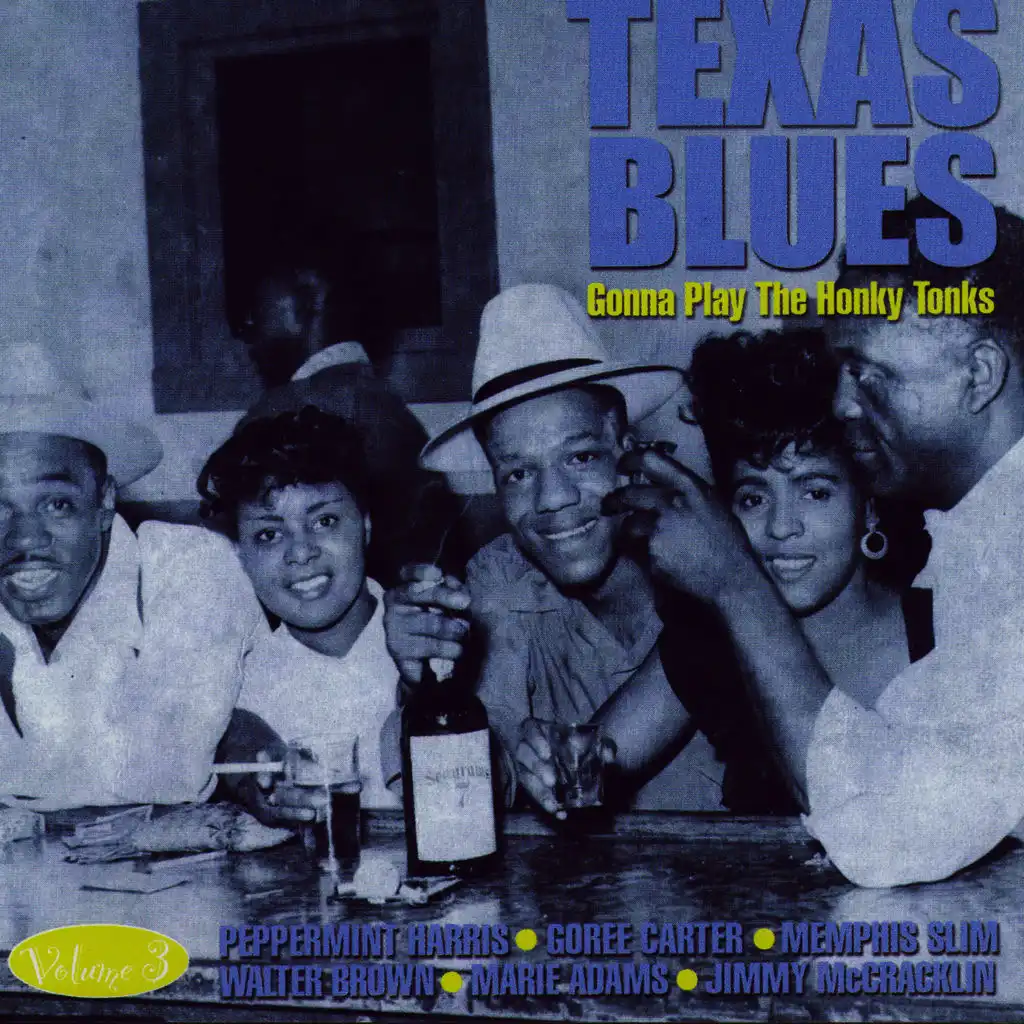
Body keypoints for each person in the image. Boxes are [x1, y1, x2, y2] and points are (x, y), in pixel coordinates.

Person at [608, 197, 1024, 886]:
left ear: (979, 375)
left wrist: (735, 582)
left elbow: (885, 832)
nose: (842, 404)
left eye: (868, 372)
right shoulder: (974, 539)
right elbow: (912, 770)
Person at [385, 283, 726, 815]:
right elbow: (484, 792)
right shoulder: (500, 581)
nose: (552, 498)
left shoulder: (711, 566)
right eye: (519, 473)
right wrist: (425, 687)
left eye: (581, 457)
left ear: (627, 450)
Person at [599, 329, 932, 813]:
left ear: (869, 508)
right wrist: (541, 762)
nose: (781, 526)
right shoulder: (711, 639)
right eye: (753, 498)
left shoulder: (944, 632)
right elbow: (589, 761)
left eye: (815, 492)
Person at [0, 343, 263, 810]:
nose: (25, 539)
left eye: (56, 504)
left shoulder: (190, 567)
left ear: (104, 501)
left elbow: (163, 777)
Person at [198, 407, 401, 812]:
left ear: (365, 525)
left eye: (324, 521)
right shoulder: (234, 680)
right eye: (269, 535)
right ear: (239, 553)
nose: (301, 552)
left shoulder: (428, 637)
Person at [238, 261, 463, 584]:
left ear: (309, 300)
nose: (249, 320)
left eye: (258, 303)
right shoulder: (384, 403)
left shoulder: (280, 414)